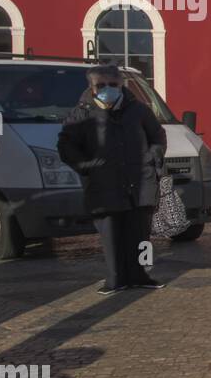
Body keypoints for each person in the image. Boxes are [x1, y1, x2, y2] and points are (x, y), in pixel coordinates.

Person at [57, 64, 167, 294]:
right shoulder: (81, 113)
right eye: (101, 85)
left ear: (122, 85)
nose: (108, 89)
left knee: (142, 235)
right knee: (111, 235)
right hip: (103, 185)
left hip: (140, 182)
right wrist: (87, 166)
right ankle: (115, 278)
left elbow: (157, 135)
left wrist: (153, 157)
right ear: (92, 87)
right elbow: (66, 145)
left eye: (113, 84)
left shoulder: (139, 110)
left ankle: (141, 274)